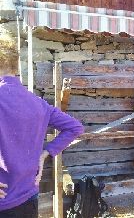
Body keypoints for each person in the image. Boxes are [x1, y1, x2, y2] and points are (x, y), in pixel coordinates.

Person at [0, 44, 84, 217]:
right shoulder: (38, 103)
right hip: (29, 198)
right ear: (16, 67)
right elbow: (75, 127)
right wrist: (46, 153)